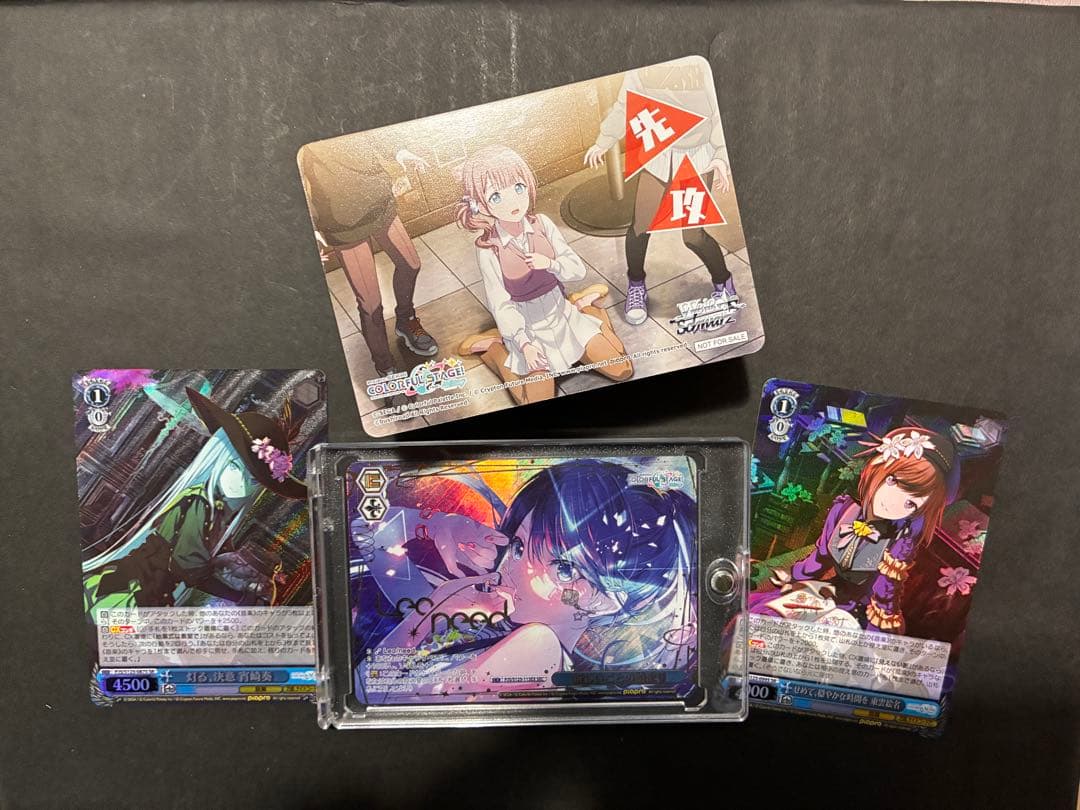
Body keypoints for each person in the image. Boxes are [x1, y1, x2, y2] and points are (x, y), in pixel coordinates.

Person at [363, 459, 698, 699]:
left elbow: (375, 695)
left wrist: (432, 612)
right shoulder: (492, 622)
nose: (517, 569)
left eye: (563, 570)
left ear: (608, 600)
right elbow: (367, 533)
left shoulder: (539, 646)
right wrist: (435, 525)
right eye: (519, 547)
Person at [82, 388, 308, 610]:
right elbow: (191, 570)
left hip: (145, 592)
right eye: (237, 469)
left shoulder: (212, 507)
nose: (244, 485)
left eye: (254, 481)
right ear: (220, 460)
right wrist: (239, 597)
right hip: (130, 592)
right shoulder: (198, 503)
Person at [454, 145, 632, 405]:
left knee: (622, 369)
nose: (513, 202)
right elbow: (500, 303)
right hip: (528, 330)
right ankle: (493, 347)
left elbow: (577, 269)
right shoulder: (488, 248)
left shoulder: (543, 224)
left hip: (563, 315)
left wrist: (550, 263)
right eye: (496, 196)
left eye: (518, 187)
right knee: (533, 401)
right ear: (481, 204)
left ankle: (585, 308)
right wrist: (524, 344)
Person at [752, 428, 954, 633]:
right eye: (892, 481)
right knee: (764, 617)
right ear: (877, 469)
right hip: (826, 591)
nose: (893, 503)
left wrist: (878, 632)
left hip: (855, 611)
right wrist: (794, 577)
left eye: (911, 503)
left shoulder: (901, 541)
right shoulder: (844, 508)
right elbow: (820, 558)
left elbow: (884, 594)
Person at [584, 57, 737, 326]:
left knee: (693, 236)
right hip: (657, 152)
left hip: (698, 156)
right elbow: (626, 104)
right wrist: (604, 140)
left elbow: (720, 112)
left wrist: (721, 156)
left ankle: (724, 284)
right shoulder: (641, 65)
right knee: (640, 227)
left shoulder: (700, 64)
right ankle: (636, 286)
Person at [299, 138, 437, 376]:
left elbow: (370, 136)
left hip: (377, 199)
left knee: (411, 265)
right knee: (370, 303)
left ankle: (406, 320)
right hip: (341, 218)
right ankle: (384, 365)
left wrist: (400, 151)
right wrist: (307, 223)